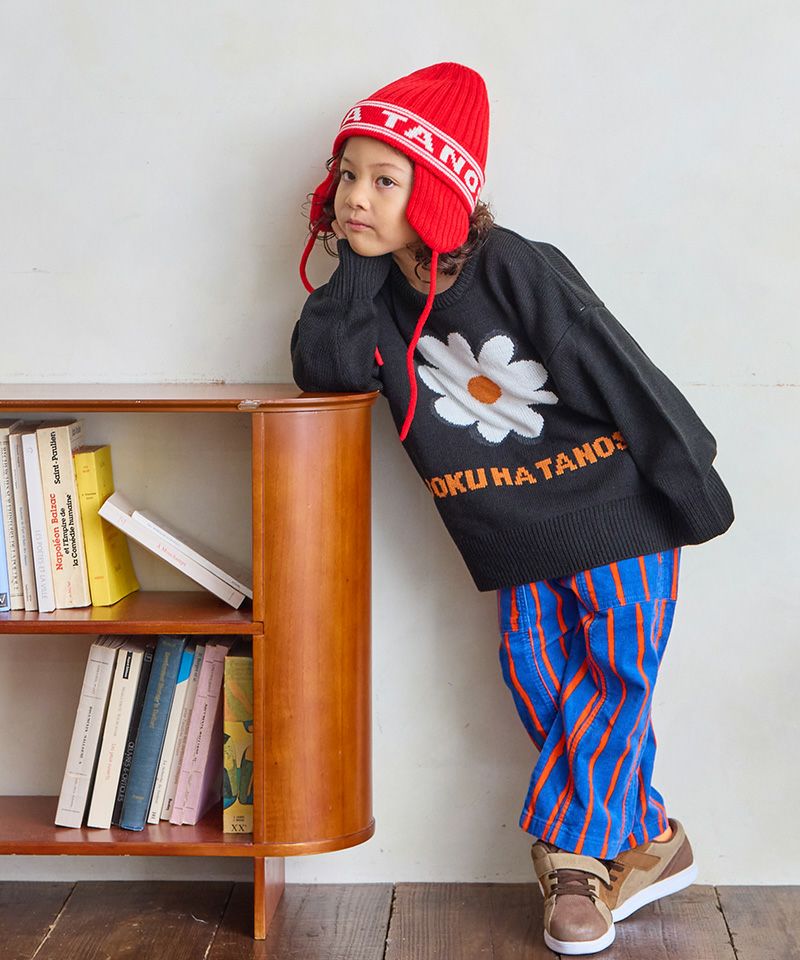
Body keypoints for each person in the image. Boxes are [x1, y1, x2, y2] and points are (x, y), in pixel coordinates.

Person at [290, 61, 734, 956]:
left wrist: (691, 484)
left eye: (385, 181)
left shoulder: (513, 264)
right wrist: (353, 269)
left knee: (612, 682)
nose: (356, 197)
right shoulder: (370, 299)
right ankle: (650, 836)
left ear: (438, 191)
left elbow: (616, 366)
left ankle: (571, 864)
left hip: (618, 509)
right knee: (539, 678)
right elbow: (326, 374)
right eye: (347, 176)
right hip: (511, 532)